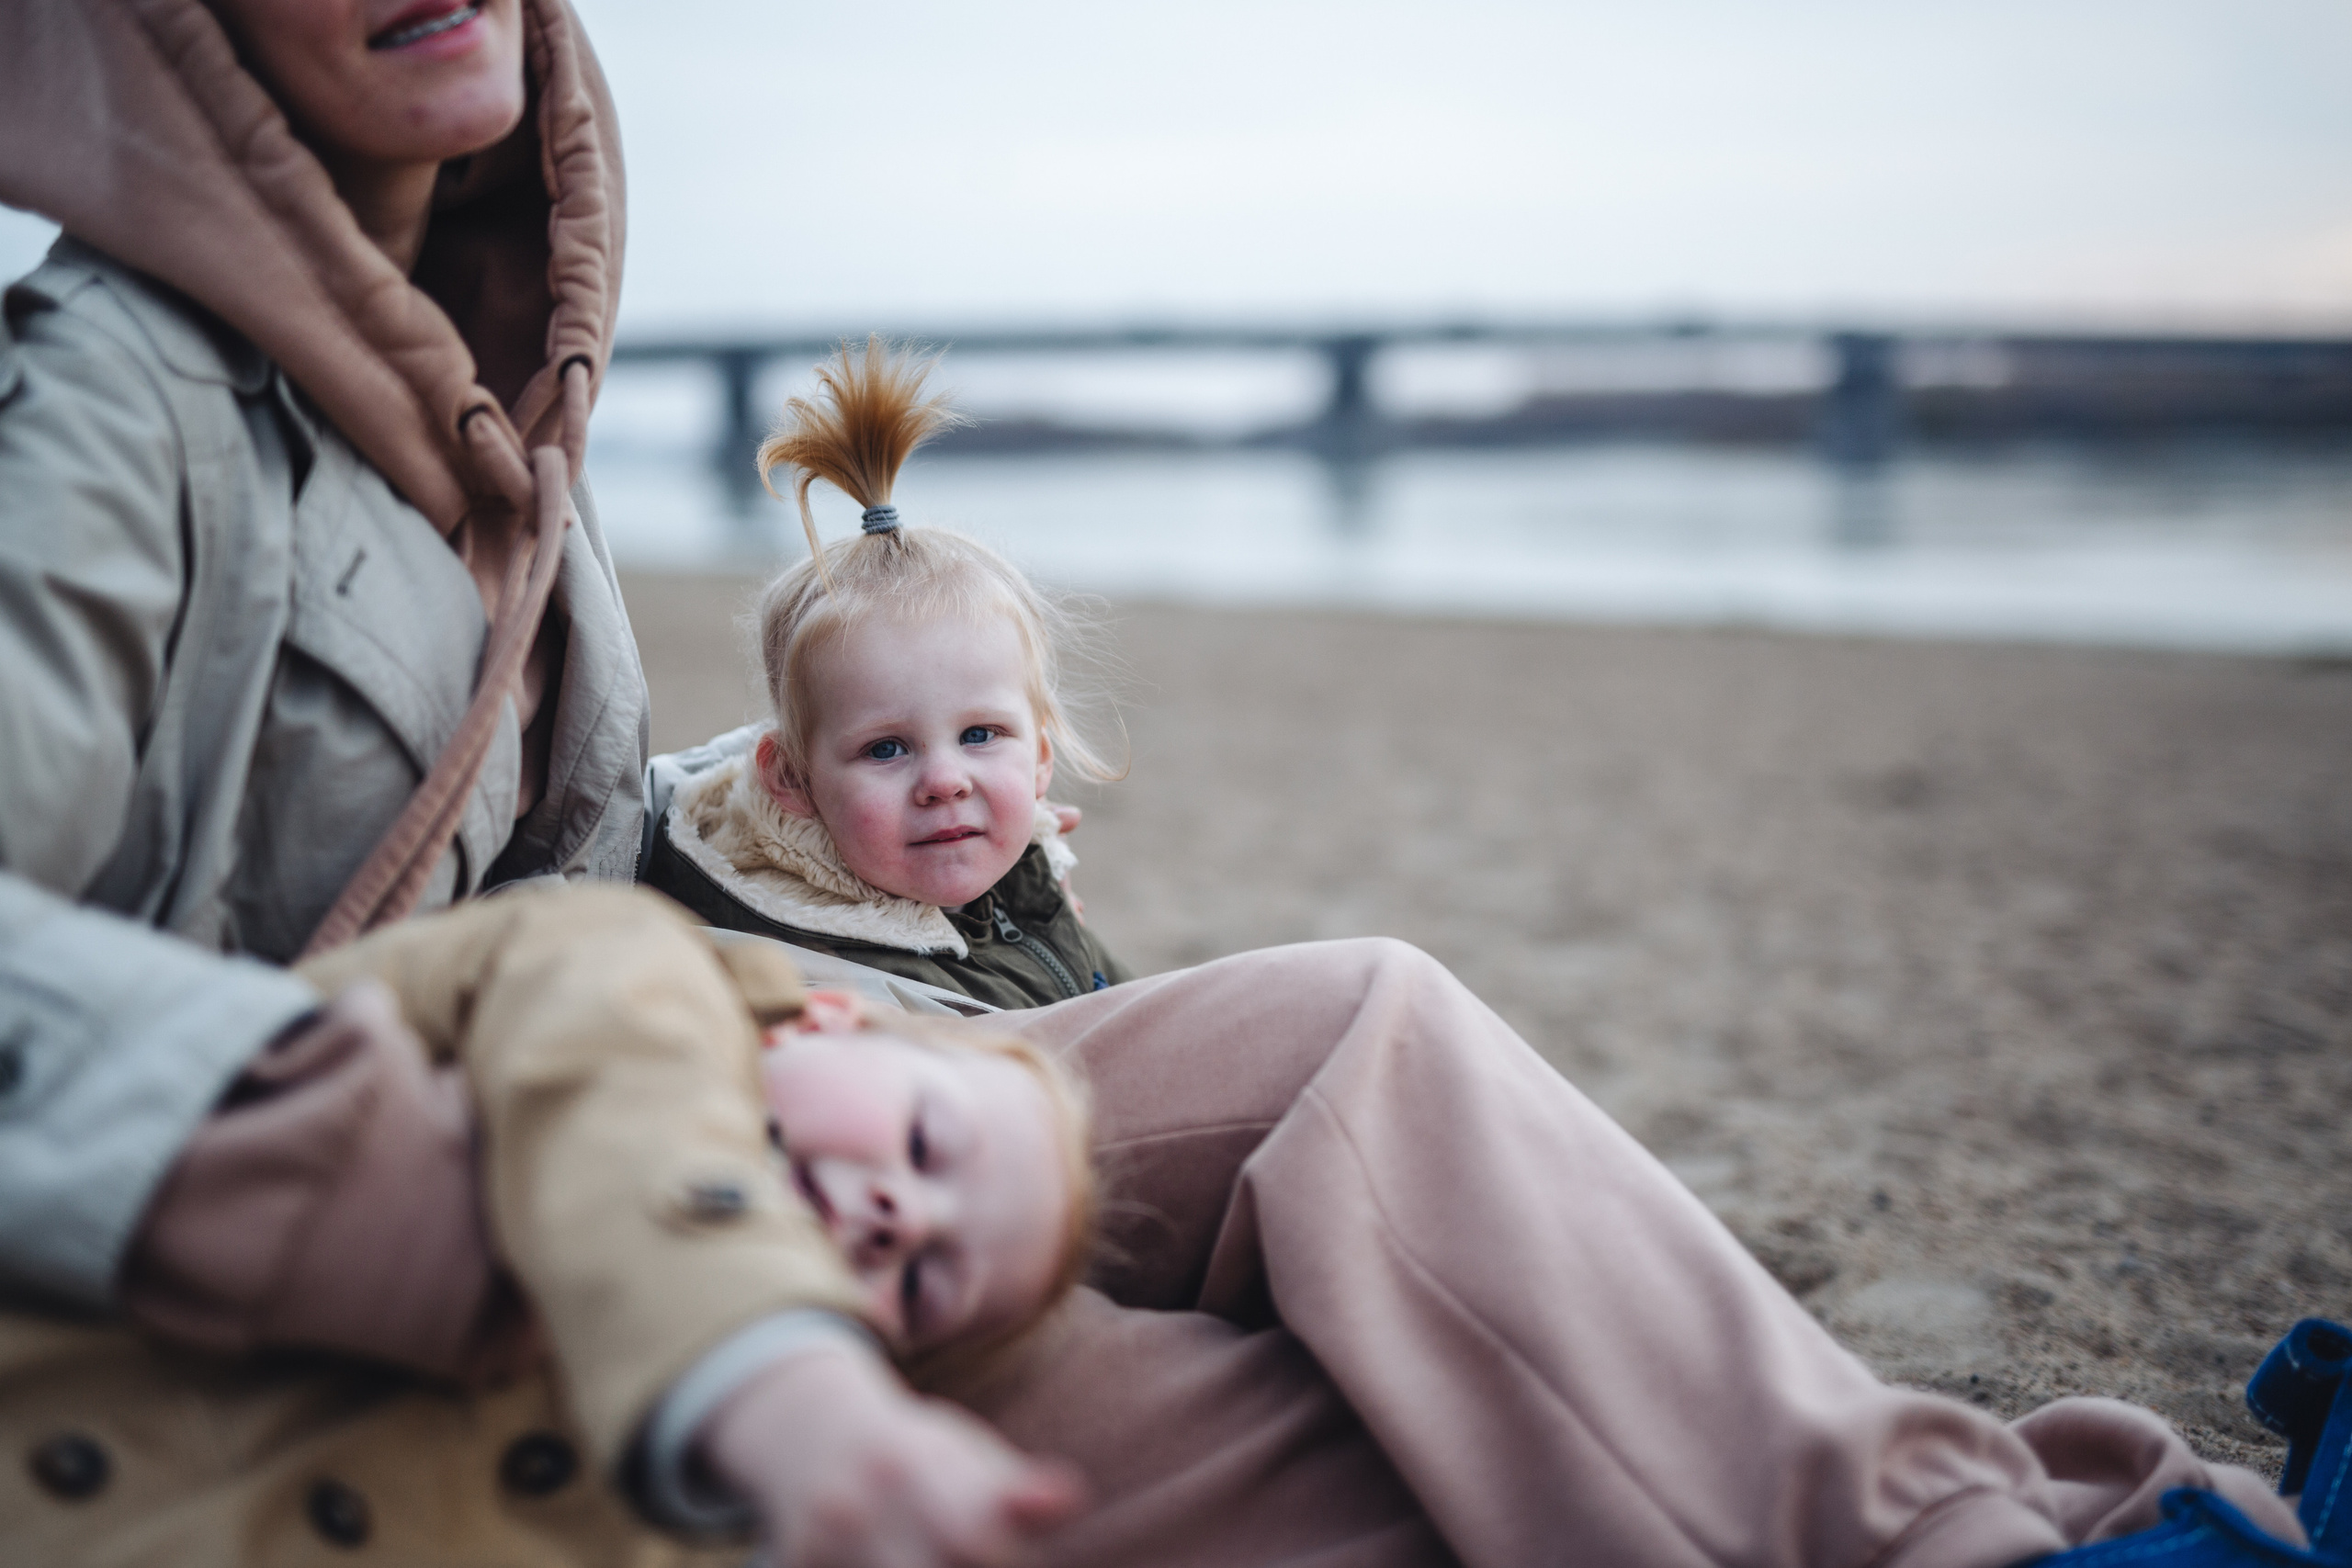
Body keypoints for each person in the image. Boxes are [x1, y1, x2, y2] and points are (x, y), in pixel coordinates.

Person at [0, 4, 2335, 1567]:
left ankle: (2047, 1514)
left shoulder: (479, 385)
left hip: (691, 1069)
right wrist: (423, 1162)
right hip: (445, 1214)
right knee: (1300, 1408)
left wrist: (764, 821)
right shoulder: (115, 406)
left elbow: (540, 844)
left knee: (1357, 1023)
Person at [639, 341, 1130, 1011]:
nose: (945, 781)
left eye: (982, 734)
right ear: (791, 779)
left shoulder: (1026, 875)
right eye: (887, 748)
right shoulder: (814, 965)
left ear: (1041, 756)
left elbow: (1121, 996)